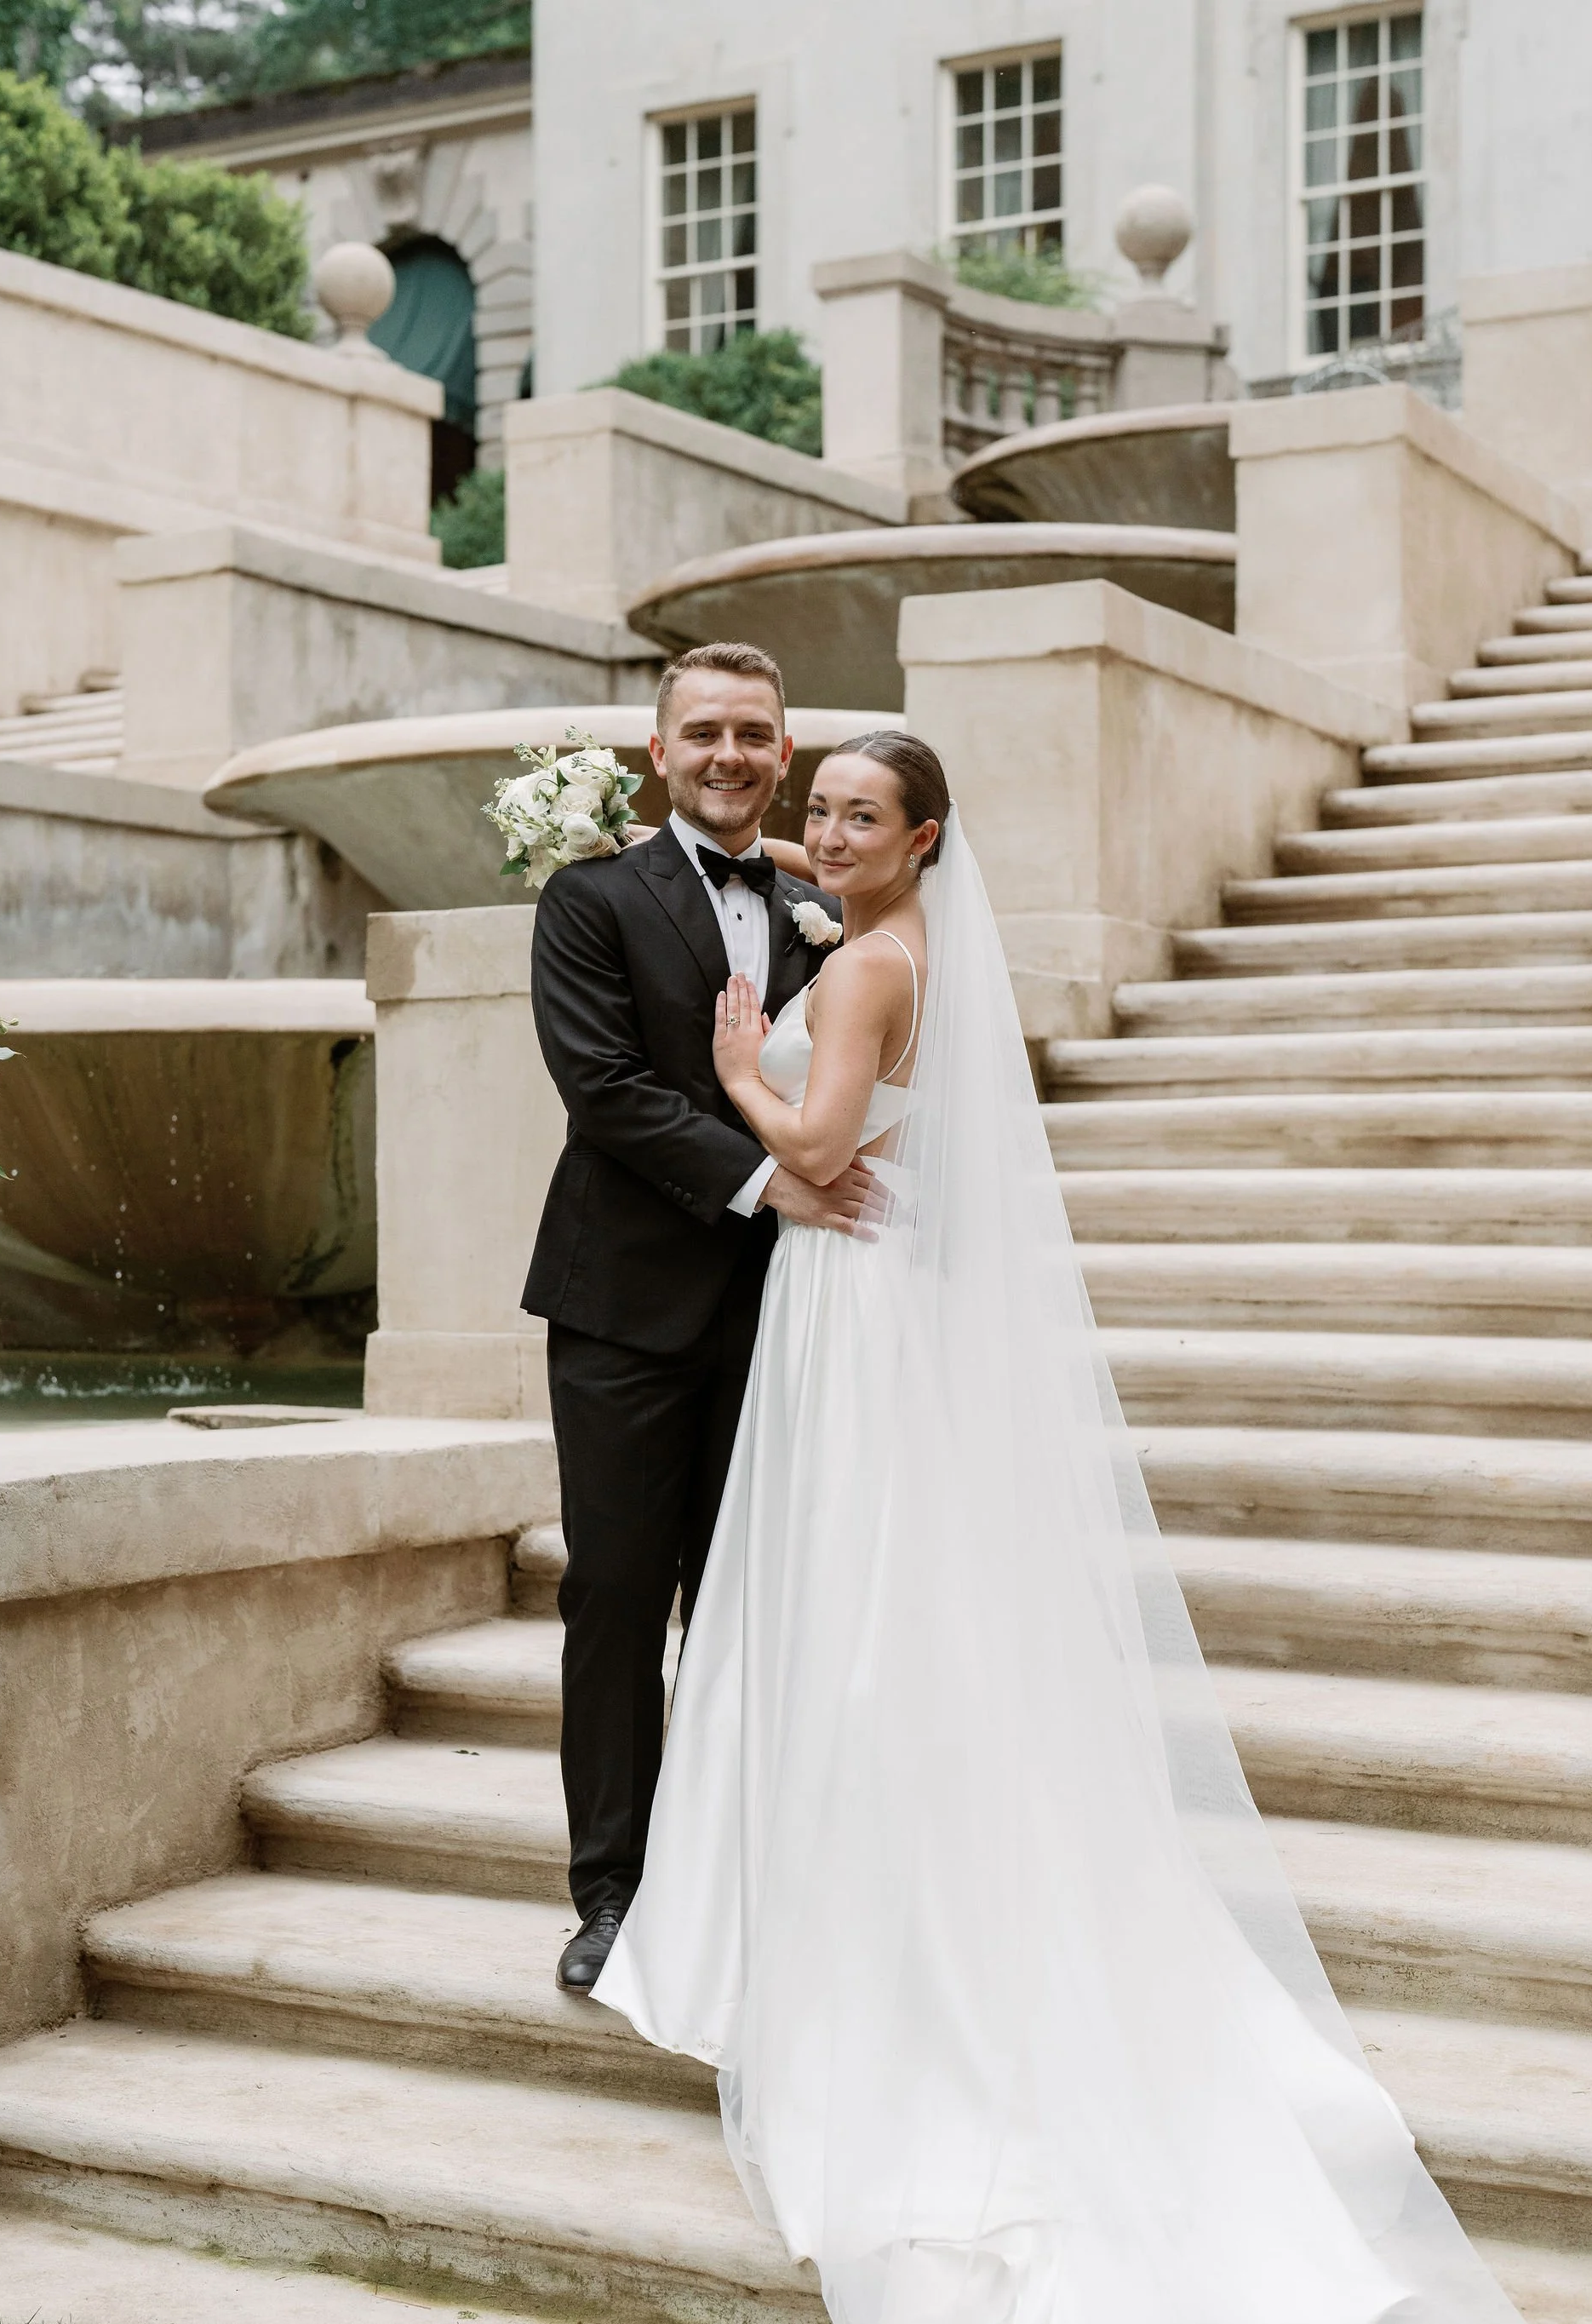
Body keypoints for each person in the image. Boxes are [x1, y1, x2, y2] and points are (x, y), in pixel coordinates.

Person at [594, 732, 1526, 2324]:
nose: (827, 828)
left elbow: (817, 1150)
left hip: (853, 1304)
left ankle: (874, 1965)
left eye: (859, 815)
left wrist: (745, 1062)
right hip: (868, 1296)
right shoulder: (907, 945)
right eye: (820, 807)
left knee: (857, 1608)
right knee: (881, 1609)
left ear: (925, 835)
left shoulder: (874, 964)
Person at [522, 640, 872, 1995]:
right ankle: (614, 1892)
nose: (729, 754)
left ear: (784, 757)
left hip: (791, 1319)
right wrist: (768, 1180)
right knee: (617, 1600)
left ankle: (747, 1884)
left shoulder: (827, 903)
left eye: (754, 734)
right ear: (659, 753)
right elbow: (601, 1086)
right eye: (705, 732)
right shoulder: (589, 896)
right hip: (621, 1311)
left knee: (750, 1607)